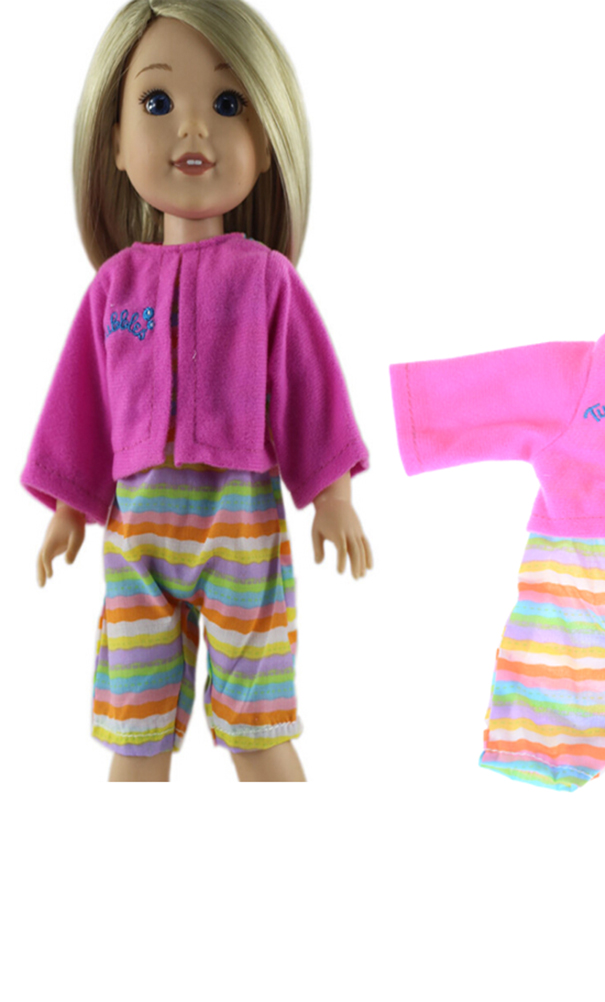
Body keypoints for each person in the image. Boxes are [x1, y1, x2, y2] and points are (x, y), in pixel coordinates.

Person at [22, 0, 371, 782]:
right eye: (156, 102)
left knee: (258, 725)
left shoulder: (266, 282)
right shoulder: (114, 289)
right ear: (115, 140)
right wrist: (69, 509)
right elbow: (84, 404)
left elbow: (311, 389)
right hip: (137, 536)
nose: (191, 128)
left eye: (227, 103)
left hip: (238, 526)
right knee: (136, 730)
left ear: (266, 140)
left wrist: (334, 496)